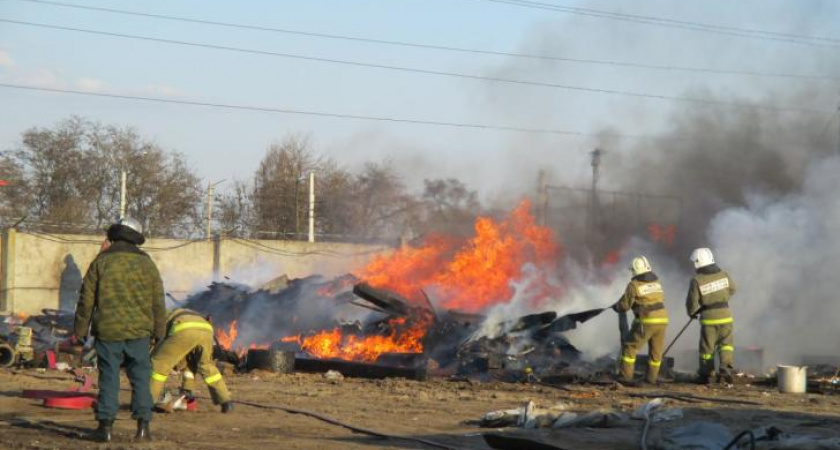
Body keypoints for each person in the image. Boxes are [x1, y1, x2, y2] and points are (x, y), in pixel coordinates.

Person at [74, 217, 165, 442]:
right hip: (139, 332)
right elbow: (158, 301)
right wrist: (159, 331)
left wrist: (80, 330)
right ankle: (143, 429)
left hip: (108, 331)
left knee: (109, 378)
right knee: (141, 378)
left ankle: (105, 429)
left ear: (115, 234)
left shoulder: (101, 261)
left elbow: (86, 300)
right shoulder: (147, 263)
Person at [150, 308, 233, 413]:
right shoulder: (177, 311)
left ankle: (148, 401)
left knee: (159, 364)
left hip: (183, 329)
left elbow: (156, 338)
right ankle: (225, 401)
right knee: (205, 365)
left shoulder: (155, 316)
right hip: (206, 330)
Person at [613, 256, 669, 384]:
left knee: (630, 347)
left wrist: (617, 307)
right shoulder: (656, 282)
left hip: (647, 320)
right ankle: (651, 379)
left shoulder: (634, 285)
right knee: (656, 352)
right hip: (663, 319)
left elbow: (624, 305)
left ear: (634, 271)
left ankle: (625, 377)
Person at [685, 247, 737, 385]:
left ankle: (706, 374)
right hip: (726, 316)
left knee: (707, 348)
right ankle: (726, 369)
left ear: (698, 262)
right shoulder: (724, 274)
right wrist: (721, 299)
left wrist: (691, 313)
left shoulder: (697, 280)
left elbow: (692, 302)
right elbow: (733, 289)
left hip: (709, 319)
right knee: (726, 345)